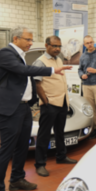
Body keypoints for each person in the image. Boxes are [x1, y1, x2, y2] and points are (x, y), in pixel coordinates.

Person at [0, 27, 72, 191]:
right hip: (9, 109)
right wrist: (51, 70)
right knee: (7, 149)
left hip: (23, 107)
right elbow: (23, 71)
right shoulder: (5, 53)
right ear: (16, 38)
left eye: (31, 40)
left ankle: (17, 180)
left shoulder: (20, 55)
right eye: (27, 40)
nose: (30, 43)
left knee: (22, 146)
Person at [33, 36, 77, 177]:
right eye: (54, 46)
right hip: (50, 104)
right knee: (44, 135)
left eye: (59, 46)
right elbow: (37, 84)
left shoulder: (59, 59)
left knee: (60, 132)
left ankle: (61, 156)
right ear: (47, 45)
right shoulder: (40, 62)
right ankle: (40, 164)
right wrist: (45, 101)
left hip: (62, 102)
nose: (57, 49)